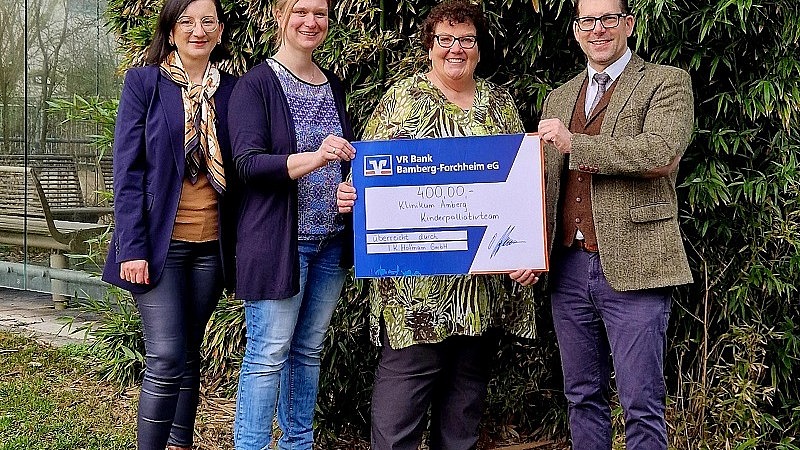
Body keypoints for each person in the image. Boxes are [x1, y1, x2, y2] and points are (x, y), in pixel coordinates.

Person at [337, 1, 536, 448]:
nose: (456, 48)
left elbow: (521, 190)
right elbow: (364, 174)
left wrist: (526, 253)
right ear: (429, 46)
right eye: (445, 39)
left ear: (479, 49)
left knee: (461, 423)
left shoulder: (500, 106)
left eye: (466, 39)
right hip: (415, 298)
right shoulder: (401, 100)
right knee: (396, 425)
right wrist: (350, 193)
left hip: (479, 294)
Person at [513, 0, 694, 448]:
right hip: (568, 268)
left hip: (637, 264)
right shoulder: (559, 96)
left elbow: (660, 153)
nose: (598, 29)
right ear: (576, 30)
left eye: (608, 19)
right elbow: (547, 185)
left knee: (641, 403)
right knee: (581, 397)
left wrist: (576, 143)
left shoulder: (666, 81)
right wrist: (530, 249)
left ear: (627, 24)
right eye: (588, 21)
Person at [101, 0, 237, 449]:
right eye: (187, 21)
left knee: (188, 353)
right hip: (159, 247)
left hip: (211, 247)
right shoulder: (144, 83)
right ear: (171, 29)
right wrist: (132, 248)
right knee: (165, 356)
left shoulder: (231, 90)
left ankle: (181, 443)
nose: (198, 30)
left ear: (220, 31)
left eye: (208, 21)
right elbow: (128, 171)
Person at [227, 0, 356, 447]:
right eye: (300, 11)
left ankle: (298, 444)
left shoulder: (333, 85)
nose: (311, 22)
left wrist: (347, 189)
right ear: (279, 15)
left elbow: (346, 160)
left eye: (320, 13)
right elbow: (248, 164)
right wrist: (316, 158)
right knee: (267, 355)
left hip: (330, 244)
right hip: (279, 244)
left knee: (307, 351)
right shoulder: (255, 85)